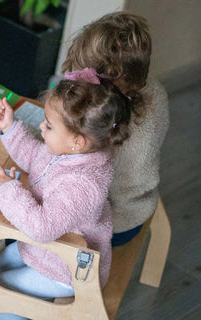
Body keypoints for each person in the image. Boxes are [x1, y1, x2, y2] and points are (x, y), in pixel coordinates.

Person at [0, 69, 133, 320]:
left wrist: (6, 190)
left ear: (77, 141)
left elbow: (41, 228)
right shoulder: (67, 153)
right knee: (1, 261)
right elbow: (34, 156)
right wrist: (10, 128)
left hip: (67, 269)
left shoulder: (83, 185)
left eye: (49, 126)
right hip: (48, 251)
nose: (41, 128)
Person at [62, 11, 170, 246]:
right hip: (137, 210)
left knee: (17, 222)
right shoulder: (154, 90)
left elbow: (68, 165)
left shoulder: (104, 118)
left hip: (107, 223)